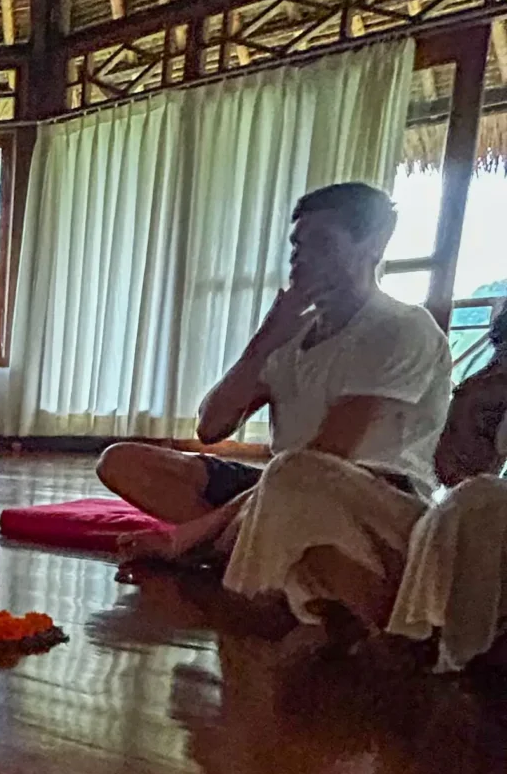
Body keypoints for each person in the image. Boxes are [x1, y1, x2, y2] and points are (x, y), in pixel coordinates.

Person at [98, 183, 450, 614]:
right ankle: (242, 540)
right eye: (297, 245)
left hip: (372, 500)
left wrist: (184, 535)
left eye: (322, 243)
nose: (302, 257)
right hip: (282, 485)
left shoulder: (399, 328)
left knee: (295, 472)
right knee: (120, 460)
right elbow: (211, 427)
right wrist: (265, 338)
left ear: (373, 246)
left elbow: (328, 458)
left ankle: (216, 542)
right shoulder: (291, 337)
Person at [386, 299, 507, 670]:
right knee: (472, 504)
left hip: (479, 497)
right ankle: (439, 646)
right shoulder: (492, 376)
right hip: (463, 494)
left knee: (478, 502)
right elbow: (454, 466)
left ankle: (453, 654)